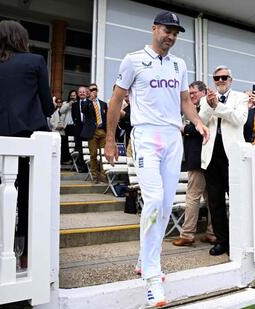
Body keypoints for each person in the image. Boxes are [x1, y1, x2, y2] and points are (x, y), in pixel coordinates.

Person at [104, 11, 209, 307]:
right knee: (152, 201)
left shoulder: (179, 64)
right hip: (146, 136)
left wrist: (198, 122)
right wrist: (111, 139)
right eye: (167, 30)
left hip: (173, 137)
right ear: (154, 29)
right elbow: (115, 100)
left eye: (175, 33)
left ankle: (144, 257)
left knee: (164, 205)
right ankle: (152, 274)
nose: (171, 36)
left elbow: (185, 101)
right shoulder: (133, 59)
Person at [0, 20, 54, 267]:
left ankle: (5, 249)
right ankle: (27, 255)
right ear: (22, 38)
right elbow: (47, 105)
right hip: (29, 141)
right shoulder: (35, 62)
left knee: (5, 197)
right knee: (30, 198)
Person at [199, 65, 248, 257]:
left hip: (232, 156)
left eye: (224, 77)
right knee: (215, 201)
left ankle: (239, 240)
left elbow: (239, 120)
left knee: (236, 200)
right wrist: (210, 106)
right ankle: (222, 241)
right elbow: (201, 120)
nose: (220, 81)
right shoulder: (206, 99)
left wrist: (217, 107)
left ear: (230, 79)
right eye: (216, 78)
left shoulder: (240, 98)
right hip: (211, 155)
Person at [173, 81, 216, 247]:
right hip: (203, 159)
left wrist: (184, 128)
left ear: (204, 92)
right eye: (189, 93)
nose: (191, 96)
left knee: (192, 197)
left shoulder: (205, 107)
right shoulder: (202, 106)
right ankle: (212, 233)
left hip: (199, 159)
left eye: (194, 93)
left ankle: (187, 234)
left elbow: (195, 129)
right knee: (210, 197)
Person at [81, 83, 108, 183]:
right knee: (93, 154)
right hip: (92, 132)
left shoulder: (103, 104)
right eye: (91, 90)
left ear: (97, 90)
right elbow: (84, 111)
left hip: (102, 131)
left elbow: (106, 118)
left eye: (94, 89)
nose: (93, 91)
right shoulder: (86, 103)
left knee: (104, 154)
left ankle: (103, 175)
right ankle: (94, 175)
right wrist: (89, 100)